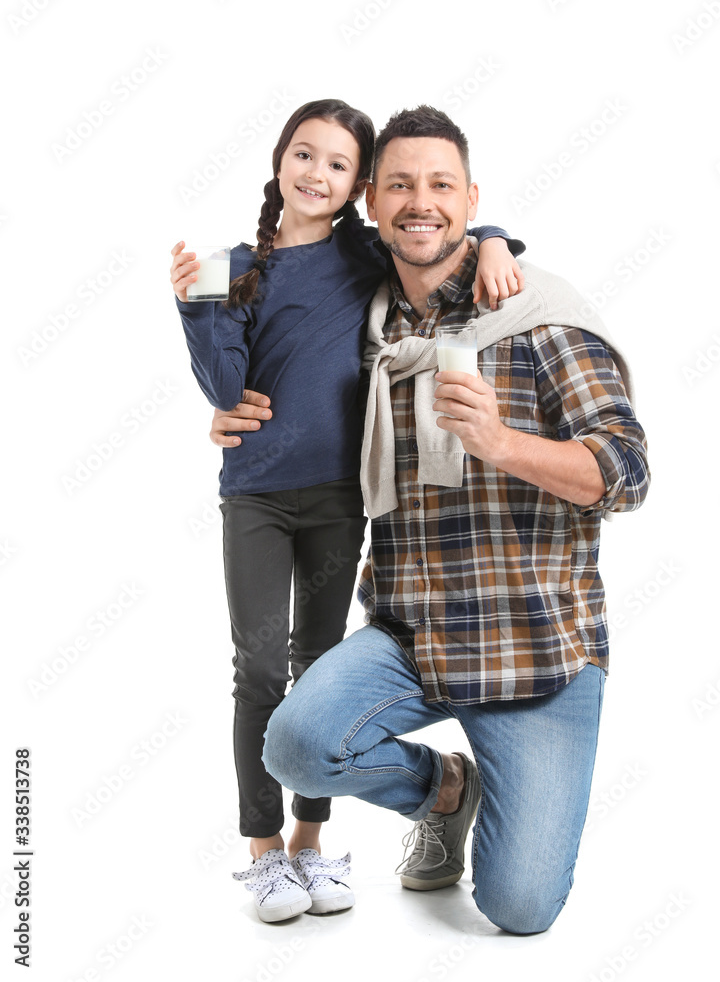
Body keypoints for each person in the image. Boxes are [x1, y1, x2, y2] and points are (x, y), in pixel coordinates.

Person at [213, 105, 650, 934]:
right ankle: (443, 790)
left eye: (442, 186)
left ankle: (491, 800)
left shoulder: (537, 314)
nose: (423, 202)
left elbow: (627, 470)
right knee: (295, 743)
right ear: (370, 204)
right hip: (412, 638)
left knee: (518, 910)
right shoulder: (370, 323)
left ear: (471, 197)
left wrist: (501, 442)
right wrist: (229, 411)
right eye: (401, 185)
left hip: (536, 651)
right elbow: (286, 372)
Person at [170, 98, 525, 924]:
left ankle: (308, 845)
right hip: (255, 494)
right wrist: (194, 308)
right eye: (304, 154)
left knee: (315, 666)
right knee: (257, 670)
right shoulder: (234, 264)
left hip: (338, 497)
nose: (316, 174)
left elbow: (437, 229)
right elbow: (228, 390)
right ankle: (262, 855)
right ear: (279, 161)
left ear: (357, 186)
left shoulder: (365, 251)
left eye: (336, 164)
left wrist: (498, 237)